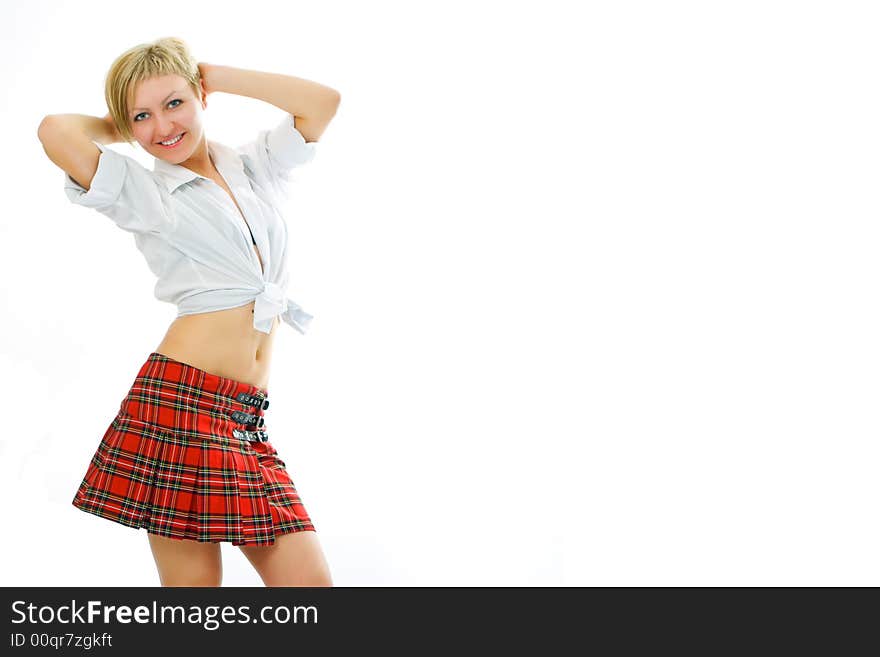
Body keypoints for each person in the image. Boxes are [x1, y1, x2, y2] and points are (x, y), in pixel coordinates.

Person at [36, 36, 340, 587]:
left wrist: (213, 75)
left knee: (311, 589)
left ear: (201, 96)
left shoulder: (255, 166)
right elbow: (55, 131)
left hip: (245, 415)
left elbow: (322, 102)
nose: (161, 127)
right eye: (142, 117)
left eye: (174, 103)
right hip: (179, 402)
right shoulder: (143, 191)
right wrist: (121, 127)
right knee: (193, 602)